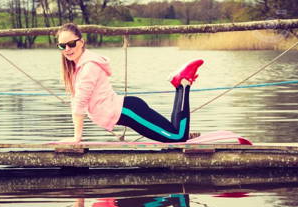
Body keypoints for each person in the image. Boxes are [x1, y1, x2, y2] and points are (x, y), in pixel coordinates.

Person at [56, 23, 204, 143]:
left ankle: (184, 84)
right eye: (63, 46)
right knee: (174, 133)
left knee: (177, 137)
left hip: (128, 111)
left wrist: (77, 138)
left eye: (71, 44)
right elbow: (78, 101)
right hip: (128, 109)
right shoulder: (79, 67)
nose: (67, 49)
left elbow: (80, 103)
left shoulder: (89, 67)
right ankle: (179, 84)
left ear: (81, 42)